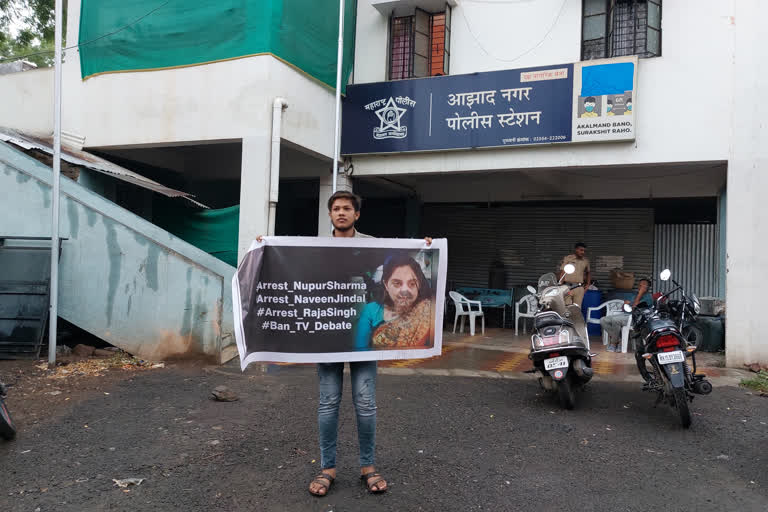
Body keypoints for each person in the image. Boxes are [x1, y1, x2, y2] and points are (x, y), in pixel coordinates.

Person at [261, 190, 432, 497]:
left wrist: (425, 247)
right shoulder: (315, 248)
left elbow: (402, 259)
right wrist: (265, 248)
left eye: (347, 209)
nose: (341, 213)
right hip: (328, 337)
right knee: (328, 405)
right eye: (336, 208)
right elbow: (292, 271)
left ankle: (368, 467)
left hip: (363, 339)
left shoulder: (372, 247)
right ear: (330, 215)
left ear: (357, 215)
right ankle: (328, 468)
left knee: (365, 405)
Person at [355, 254, 435, 350]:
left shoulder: (427, 311)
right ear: (386, 285)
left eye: (412, 283)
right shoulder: (371, 310)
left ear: (419, 284)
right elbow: (360, 349)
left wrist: (429, 244)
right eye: (397, 283)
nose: (405, 290)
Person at [599, 275, 653, 352]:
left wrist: (640, 293)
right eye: (640, 284)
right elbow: (625, 308)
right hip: (626, 315)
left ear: (648, 287)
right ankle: (618, 340)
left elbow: (634, 307)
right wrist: (624, 305)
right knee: (603, 320)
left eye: (644, 284)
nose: (641, 285)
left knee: (615, 320)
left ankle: (613, 344)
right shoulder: (633, 294)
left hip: (636, 319)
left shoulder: (648, 296)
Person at [558, 242, 591, 307]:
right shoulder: (568, 258)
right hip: (567, 286)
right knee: (566, 308)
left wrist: (587, 285)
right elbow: (563, 271)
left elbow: (588, 273)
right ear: (576, 250)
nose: (583, 252)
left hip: (579, 288)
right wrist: (560, 285)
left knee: (577, 308)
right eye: (581, 250)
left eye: (584, 251)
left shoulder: (585, 261)